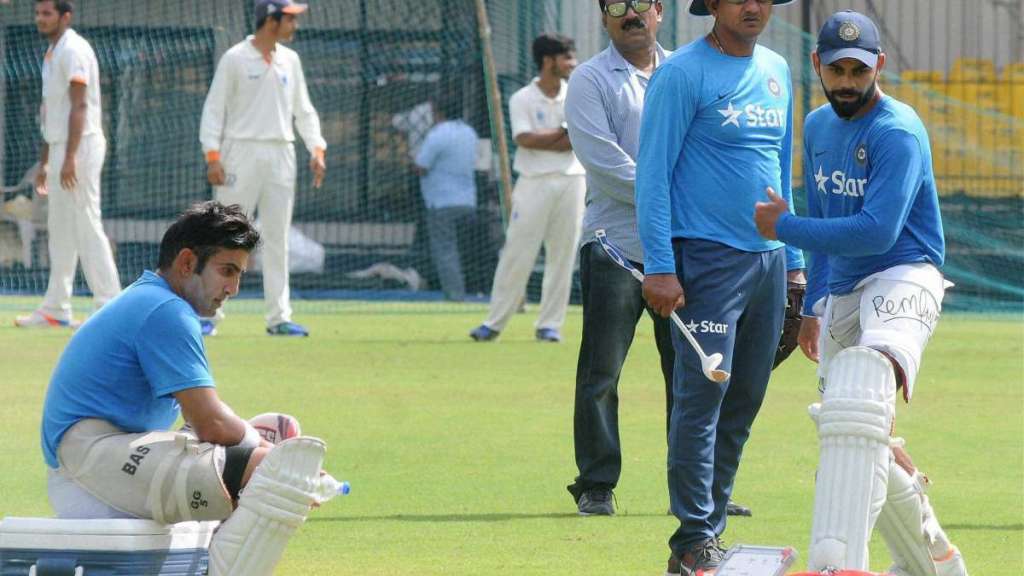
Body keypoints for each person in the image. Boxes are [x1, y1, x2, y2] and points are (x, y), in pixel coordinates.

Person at [754, 11, 968, 576]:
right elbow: (828, 217)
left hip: (906, 273)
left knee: (860, 392)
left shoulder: (897, 130)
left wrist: (785, 228)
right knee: (858, 430)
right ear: (817, 65)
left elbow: (877, 229)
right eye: (836, 69)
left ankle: (837, 565)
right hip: (845, 289)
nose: (847, 81)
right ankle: (937, 562)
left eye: (858, 69)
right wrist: (816, 306)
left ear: (880, 64)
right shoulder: (818, 125)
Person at [41, 201, 326, 575]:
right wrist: (270, 454)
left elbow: (208, 424)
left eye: (239, 274)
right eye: (227, 271)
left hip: (101, 460)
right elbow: (211, 424)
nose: (234, 288)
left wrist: (257, 443)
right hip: (90, 467)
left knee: (267, 448)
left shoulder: (153, 299)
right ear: (188, 263)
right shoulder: (166, 310)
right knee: (277, 471)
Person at [635, 0, 806, 573]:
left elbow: (781, 171)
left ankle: (712, 531)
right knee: (702, 399)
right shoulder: (682, 73)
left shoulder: (779, 69)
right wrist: (661, 266)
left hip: (769, 261)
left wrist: (796, 259)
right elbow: (652, 174)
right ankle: (692, 540)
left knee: (744, 399)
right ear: (712, 6)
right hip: (705, 260)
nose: (754, 6)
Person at [199, 0, 327, 337]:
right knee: (225, 236)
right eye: (289, 19)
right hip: (240, 152)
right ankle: (208, 315)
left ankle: (278, 317)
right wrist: (213, 156)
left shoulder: (291, 60)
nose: (294, 26)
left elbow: (304, 110)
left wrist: (316, 147)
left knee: (277, 237)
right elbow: (214, 110)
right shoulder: (235, 58)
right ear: (271, 20)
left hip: (281, 153)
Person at [469, 33, 585, 343]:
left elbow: (577, 141)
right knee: (518, 252)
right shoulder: (522, 98)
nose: (572, 64)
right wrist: (561, 133)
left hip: (572, 180)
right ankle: (494, 322)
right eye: (566, 58)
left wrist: (552, 137)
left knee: (563, 255)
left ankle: (550, 325)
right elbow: (524, 139)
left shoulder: (577, 94)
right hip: (533, 182)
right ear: (548, 61)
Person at [16, 0, 121, 328]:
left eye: (46, 13)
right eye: (37, 14)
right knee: (60, 227)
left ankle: (110, 304)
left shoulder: (74, 49)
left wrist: (71, 156)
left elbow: (79, 106)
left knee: (86, 222)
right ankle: (56, 307)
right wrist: (47, 161)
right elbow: (52, 112)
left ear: (65, 16)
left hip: (83, 146)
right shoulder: (51, 53)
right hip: (62, 148)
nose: (40, 19)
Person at [413, 98, 480, 301]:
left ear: (437, 112)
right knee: (466, 249)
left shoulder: (437, 134)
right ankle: (476, 289)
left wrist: (410, 161)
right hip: (468, 200)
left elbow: (421, 166)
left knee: (445, 249)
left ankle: (455, 294)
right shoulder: (470, 133)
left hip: (442, 201)